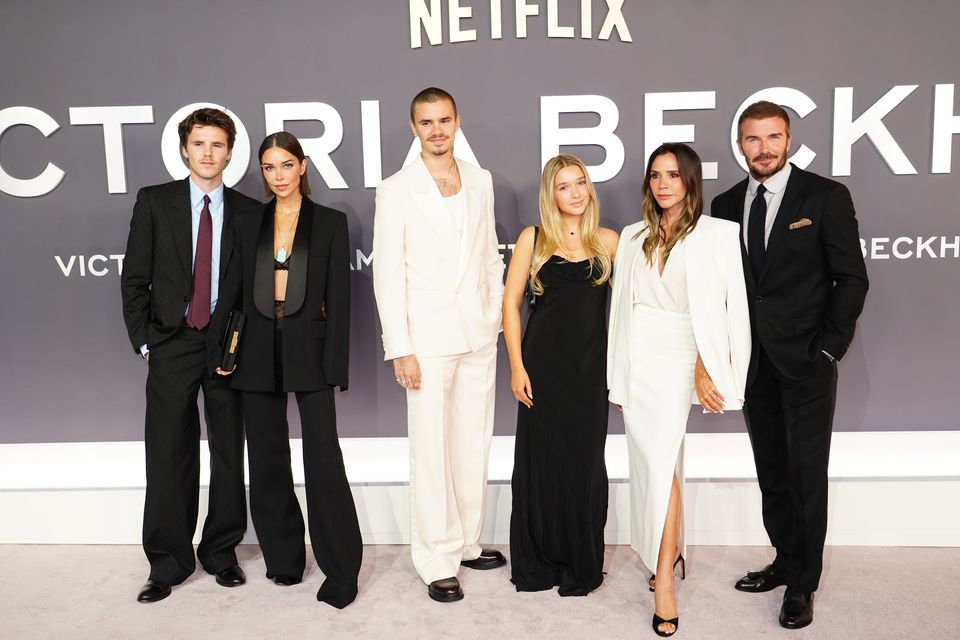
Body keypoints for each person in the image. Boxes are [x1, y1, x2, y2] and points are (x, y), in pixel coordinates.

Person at [711, 101, 868, 629]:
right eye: (753, 140)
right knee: (773, 473)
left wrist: (827, 349)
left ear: (789, 138)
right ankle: (783, 559)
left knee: (805, 476)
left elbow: (852, 279)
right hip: (752, 366)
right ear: (740, 144)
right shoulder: (725, 203)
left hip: (807, 362)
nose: (763, 148)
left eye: (773, 137)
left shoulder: (824, 196)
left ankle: (803, 583)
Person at [208, 131, 362, 609]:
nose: (278, 176)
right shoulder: (248, 220)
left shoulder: (331, 223)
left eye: (286, 165)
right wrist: (220, 349)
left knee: (323, 459)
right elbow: (231, 288)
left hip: (309, 349)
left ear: (302, 167)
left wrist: (335, 363)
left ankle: (340, 570)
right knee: (268, 459)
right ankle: (284, 560)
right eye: (269, 168)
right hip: (254, 347)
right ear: (263, 172)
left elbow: (339, 300)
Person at [608, 143, 751, 636]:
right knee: (653, 463)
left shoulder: (719, 235)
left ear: (691, 180)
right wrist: (618, 373)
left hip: (683, 354)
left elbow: (728, 312)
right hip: (639, 357)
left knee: (663, 461)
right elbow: (620, 313)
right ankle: (670, 555)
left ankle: (664, 577)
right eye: (655, 175)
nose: (663, 184)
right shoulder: (632, 236)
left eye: (673, 174)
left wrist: (707, 368)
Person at [372, 87, 506, 603]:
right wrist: (399, 346)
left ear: (457, 122)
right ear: (414, 128)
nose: (436, 131)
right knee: (430, 451)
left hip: (477, 334)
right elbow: (387, 274)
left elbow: (490, 254)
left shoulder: (480, 179)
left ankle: (466, 540)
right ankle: (434, 557)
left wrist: (494, 315)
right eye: (426, 123)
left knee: (473, 441)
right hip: (424, 340)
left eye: (444, 120)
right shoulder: (396, 189)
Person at [121, 108, 258, 603]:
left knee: (227, 452)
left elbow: (251, 291)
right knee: (167, 453)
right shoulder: (155, 202)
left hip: (225, 345)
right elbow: (134, 277)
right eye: (199, 144)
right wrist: (146, 340)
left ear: (229, 151)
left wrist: (242, 345)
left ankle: (221, 553)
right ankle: (167, 562)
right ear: (184, 148)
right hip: (172, 342)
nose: (207, 153)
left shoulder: (248, 211)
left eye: (217, 145)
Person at [503, 154, 618, 596]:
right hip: (541, 369)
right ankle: (540, 561)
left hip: (589, 372)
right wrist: (517, 366)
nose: (575, 192)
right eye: (564, 185)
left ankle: (580, 560)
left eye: (581, 183)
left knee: (586, 466)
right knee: (541, 464)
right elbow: (510, 305)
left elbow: (632, 308)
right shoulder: (532, 239)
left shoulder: (608, 241)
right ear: (550, 194)